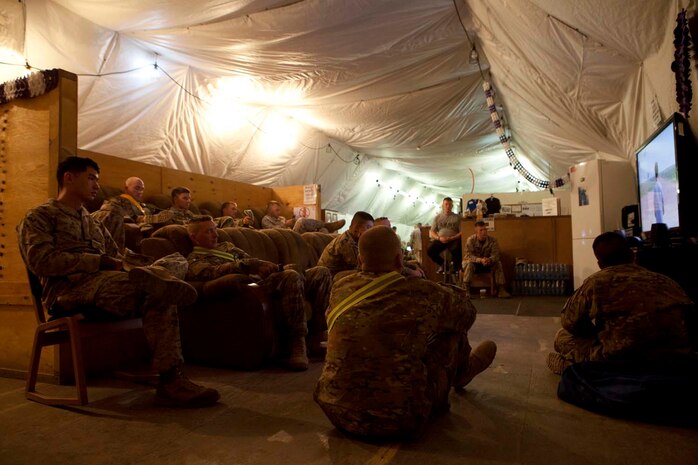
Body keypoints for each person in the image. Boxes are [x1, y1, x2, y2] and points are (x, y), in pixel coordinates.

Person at [18, 156, 219, 407]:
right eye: (91, 178)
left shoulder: (90, 221)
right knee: (158, 289)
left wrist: (146, 264)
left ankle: (160, 280)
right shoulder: (40, 216)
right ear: (68, 177)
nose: (96, 185)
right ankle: (171, 380)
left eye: (97, 180)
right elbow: (41, 261)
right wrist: (96, 262)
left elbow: (116, 256)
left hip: (108, 283)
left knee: (173, 265)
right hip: (70, 292)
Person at [314, 226, 497, 440]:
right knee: (450, 328)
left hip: (336, 412)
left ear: (359, 259)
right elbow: (467, 315)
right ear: (400, 260)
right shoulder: (420, 292)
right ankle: (463, 373)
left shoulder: (340, 285)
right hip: (398, 417)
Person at [185, 216, 332, 370]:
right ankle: (297, 343)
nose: (215, 235)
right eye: (209, 232)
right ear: (194, 237)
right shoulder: (195, 260)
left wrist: (271, 267)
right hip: (255, 289)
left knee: (321, 272)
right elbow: (213, 273)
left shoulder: (227, 247)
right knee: (291, 276)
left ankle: (317, 336)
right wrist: (246, 265)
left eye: (215, 230)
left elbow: (252, 260)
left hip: (267, 277)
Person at [546, 232, 695, 375]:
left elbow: (569, 321)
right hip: (673, 358)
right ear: (632, 255)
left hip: (618, 360)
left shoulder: (597, 282)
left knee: (562, 337)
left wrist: (594, 335)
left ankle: (571, 367)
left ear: (600, 263)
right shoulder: (666, 281)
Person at [91, 176, 173, 251]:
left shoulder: (143, 205)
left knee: (151, 213)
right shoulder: (117, 199)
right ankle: (143, 222)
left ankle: (146, 223)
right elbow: (108, 210)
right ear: (126, 188)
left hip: (145, 222)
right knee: (117, 210)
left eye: (142, 189)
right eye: (137, 188)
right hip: (128, 219)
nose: (140, 192)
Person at [462, 220, 510, 298]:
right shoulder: (470, 240)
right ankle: (466, 289)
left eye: (485, 229)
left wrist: (489, 259)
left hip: (487, 263)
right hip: (474, 264)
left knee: (498, 263)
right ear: (476, 232)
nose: (484, 232)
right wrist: (480, 260)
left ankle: (501, 290)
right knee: (469, 264)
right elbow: (469, 255)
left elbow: (496, 254)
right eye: (481, 230)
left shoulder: (493, 240)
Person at [317, 211, 374, 276]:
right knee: (365, 274)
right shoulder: (345, 242)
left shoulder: (353, 239)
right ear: (357, 228)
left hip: (339, 274)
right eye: (369, 227)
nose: (371, 231)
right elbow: (360, 266)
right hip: (329, 277)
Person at [261, 200, 345, 233]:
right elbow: (272, 232)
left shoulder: (281, 218)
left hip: (293, 232)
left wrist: (292, 222)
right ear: (269, 210)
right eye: (277, 210)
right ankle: (328, 225)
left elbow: (288, 225)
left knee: (323, 230)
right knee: (301, 220)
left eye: (279, 210)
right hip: (287, 237)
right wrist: (286, 224)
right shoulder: (265, 220)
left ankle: (325, 227)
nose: (279, 212)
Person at [427, 197, 462, 273]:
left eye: (450, 204)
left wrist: (452, 238)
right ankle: (443, 264)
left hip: (453, 239)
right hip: (441, 239)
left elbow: (462, 232)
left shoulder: (458, 217)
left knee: (456, 249)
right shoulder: (437, 218)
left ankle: (455, 267)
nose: (448, 206)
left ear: (452, 206)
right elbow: (432, 232)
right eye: (446, 204)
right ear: (442, 205)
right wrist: (439, 238)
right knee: (430, 250)